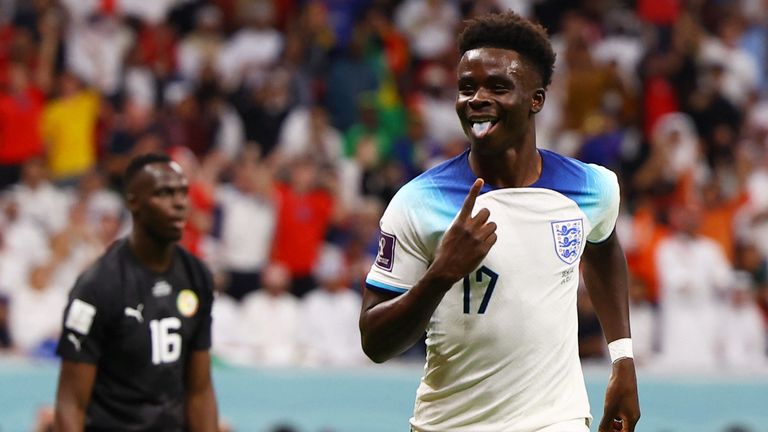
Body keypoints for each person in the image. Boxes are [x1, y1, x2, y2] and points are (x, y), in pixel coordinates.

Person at [359, 11, 640, 432]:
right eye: (466, 88)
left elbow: (602, 248)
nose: (476, 98)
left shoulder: (592, 188)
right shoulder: (419, 202)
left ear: (536, 100)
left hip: (556, 420)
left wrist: (622, 356)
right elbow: (374, 342)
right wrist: (441, 274)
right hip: (450, 423)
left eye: (497, 86)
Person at [54, 153, 218, 431]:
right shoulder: (97, 286)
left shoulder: (196, 276)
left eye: (182, 193)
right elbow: (71, 403)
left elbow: (200, 390)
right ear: (134, 203)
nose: (179, 203)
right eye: (164, 194)